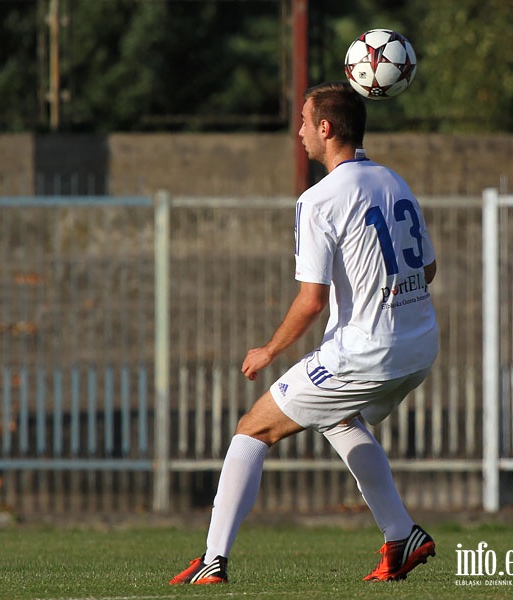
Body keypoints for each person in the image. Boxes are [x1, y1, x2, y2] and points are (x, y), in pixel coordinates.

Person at [170, 81, 438, 585]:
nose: (298, 132)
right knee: (338, 419)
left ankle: (212, 561)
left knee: (254, 428)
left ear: (325, 128)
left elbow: (310, 300)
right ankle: (402, 537)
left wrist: (268, 350)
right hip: (420, 344)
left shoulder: (319, 200)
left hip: (366, 351)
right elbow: (429, 268)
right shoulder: (394, 181)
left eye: (303, 121)